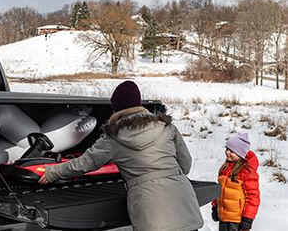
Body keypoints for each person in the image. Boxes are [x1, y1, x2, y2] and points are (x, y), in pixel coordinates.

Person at [39, 80, 204, 231]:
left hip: (151, 210)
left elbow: (84, 163)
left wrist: (53, 172)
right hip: (183, 202)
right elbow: (186, 165)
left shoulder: (114, 137)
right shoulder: (167, 127)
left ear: (115, 109)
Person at [211, 133, 260, 231]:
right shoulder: (225, 168)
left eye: (232, 151)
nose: (227, 152)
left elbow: (253, 197)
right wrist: (215, 207)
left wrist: (248, 218)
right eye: (227, 149)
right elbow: (219, 191)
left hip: (237, 220)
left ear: (240, 153)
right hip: (223, 217)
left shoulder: (247, 172)